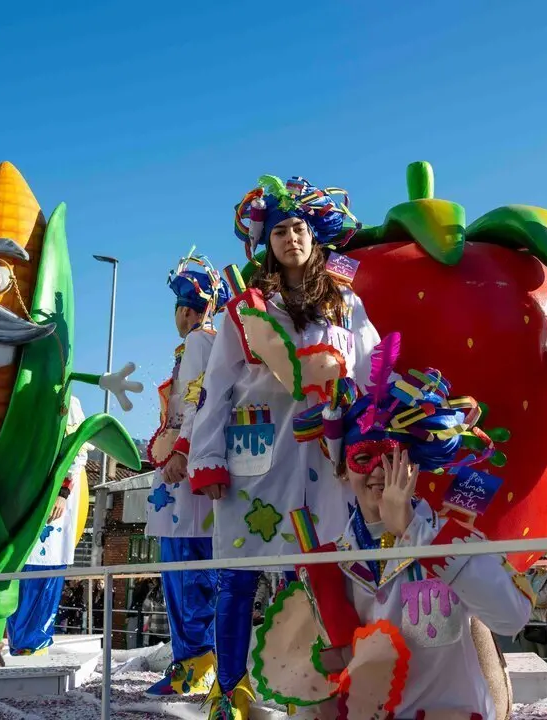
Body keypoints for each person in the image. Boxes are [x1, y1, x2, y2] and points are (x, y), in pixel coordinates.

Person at [188, 175, 379, 719]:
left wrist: (364, 440)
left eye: (299, 228)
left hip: (324, 457)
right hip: (256, 454)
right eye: (280, 232)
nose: (291, 238)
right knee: (239, 572)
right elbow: (217, 389)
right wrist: (208, 458)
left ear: (314, 235)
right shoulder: (244, 309)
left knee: (325, 572)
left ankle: (322, 686)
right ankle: (230, 691)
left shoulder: (345, 302)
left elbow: (366, 373)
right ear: (266, 243)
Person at [254, 356, 533, 720]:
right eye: (363, 457)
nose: (378, 472)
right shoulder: (328, 562)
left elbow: (512, 617)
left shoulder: (449, 537)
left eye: (392, 456)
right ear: (342, 471)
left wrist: (414, 531)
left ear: (413, 464)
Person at [143, 252, 228, 697]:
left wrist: (180, 449)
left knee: (187, 570)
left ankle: (196, 664)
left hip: (186, 477)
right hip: (192, 476)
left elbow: (199, 400)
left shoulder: (200, 342)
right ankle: (200, 661)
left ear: (188, 309)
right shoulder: (206, 344)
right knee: (194, 570)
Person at [6, 395, 91, 657]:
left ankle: (35, 643)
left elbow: (78, 450)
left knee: (45, 567)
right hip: (21, 496)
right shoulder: (17, 396)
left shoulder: (69, 400)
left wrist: (63, 492)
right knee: (15, 570)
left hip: (53, 498)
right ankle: (17, 642)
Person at [517, 551, 547, 661]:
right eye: (539, 557)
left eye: (545, 558)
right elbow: (516, 599)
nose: (541, 560)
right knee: (529, 665)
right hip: (526, 627)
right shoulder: (527, 578)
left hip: (544, 628)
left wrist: (526, 599)